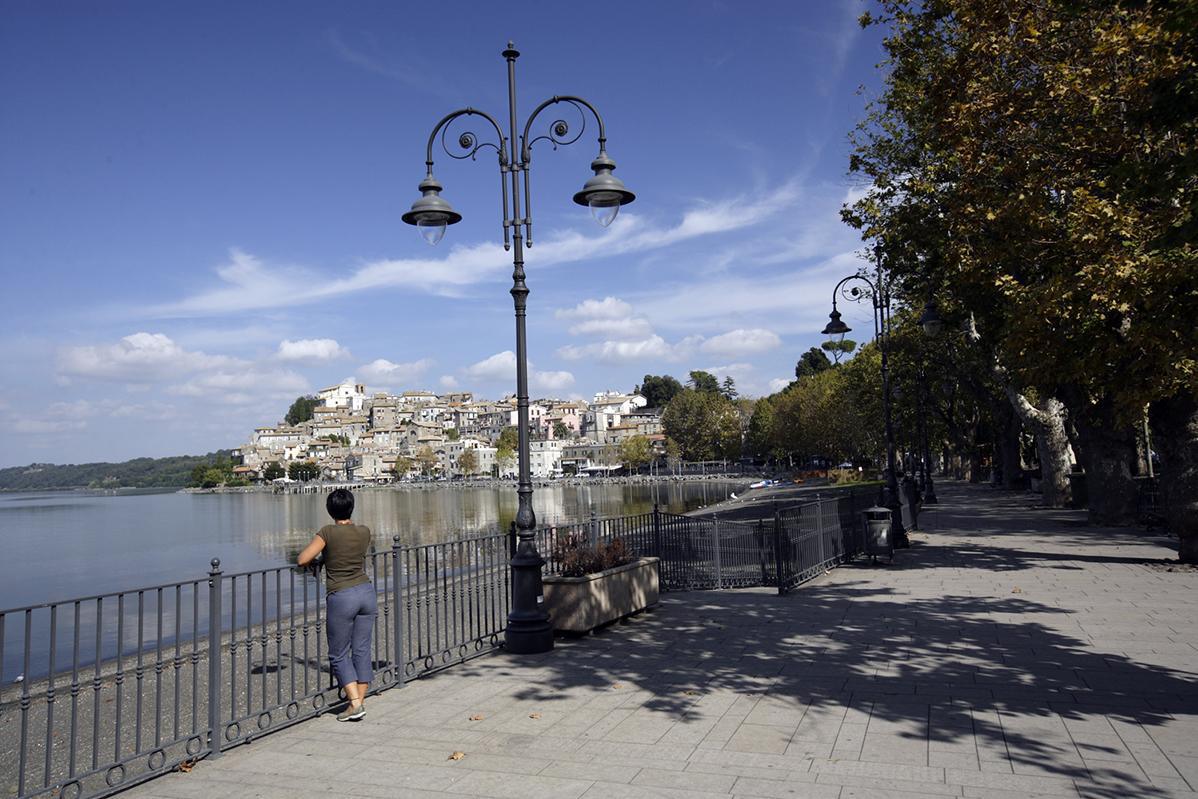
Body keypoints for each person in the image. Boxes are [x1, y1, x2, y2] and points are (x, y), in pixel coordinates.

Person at [297, 488, 375, 722]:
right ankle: (358, 703)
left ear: (330, 510)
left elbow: (302, 559)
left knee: (338, 653)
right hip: (366, 592)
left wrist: (319, 561)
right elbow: (348, 554)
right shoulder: (364, 532)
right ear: (352, 507)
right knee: (361, 650)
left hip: (342, 595)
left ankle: (354, 703)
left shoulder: (327, 532)